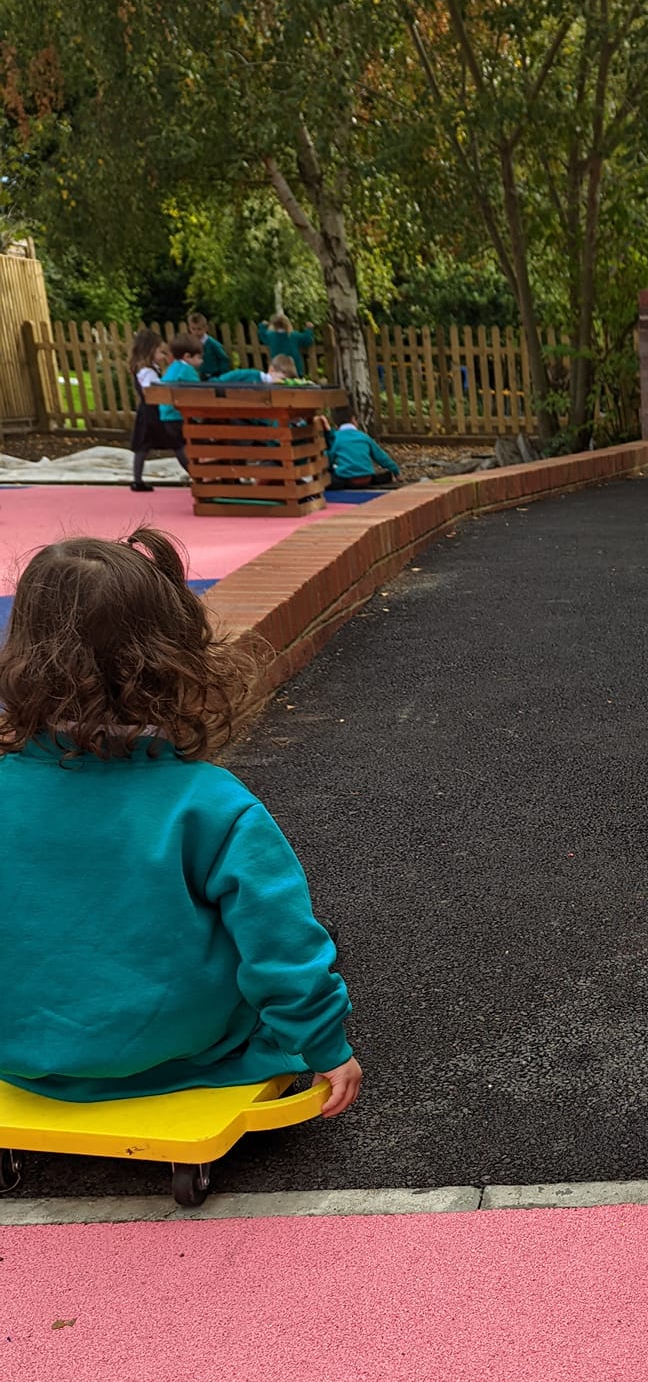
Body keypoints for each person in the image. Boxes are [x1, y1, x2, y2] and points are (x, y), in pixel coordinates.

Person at [0, 530, 362, 1115]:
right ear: (174, 655)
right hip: (175, 1051)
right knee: (305, 940)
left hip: (15, 1052)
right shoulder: (209, 802)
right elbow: (279, 938)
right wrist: (324, 1044)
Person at [127, 327, 185, 492]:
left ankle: (137, 479)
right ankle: (196, 475)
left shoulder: (148, 368)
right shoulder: (147, 371)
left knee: (143, 446)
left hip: (147, 412)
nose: (163, 355)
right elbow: (150, 390)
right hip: (154, 412)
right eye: (160, 351)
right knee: (176, 443)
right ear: (150, 350)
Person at [326, 407, 399, 488]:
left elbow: (329, 459)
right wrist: (395, 470)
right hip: (367, 478)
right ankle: (385, 477)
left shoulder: (336, 437)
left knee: (328, 478)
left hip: (348, 479)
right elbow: (381, 456)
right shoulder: (364, 436)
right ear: (353, 419)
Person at [156, 333, 203, 444]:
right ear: (187, 356)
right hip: (179, 416)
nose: (202, 361)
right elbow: (199, 392)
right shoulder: (187, 370)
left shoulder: (173, 367)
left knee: (182, 446)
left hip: (167, 416)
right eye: (199, 357)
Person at [187, 313, 232, 380]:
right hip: (198, 376)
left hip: (213, 375)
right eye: (193, 329)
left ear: (206, 328)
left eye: (199, 329)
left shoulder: (212, 344)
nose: (196, 332)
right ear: (189, 328)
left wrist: (222, 375)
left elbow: (224, 359)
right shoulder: (190, 343)